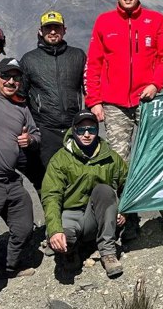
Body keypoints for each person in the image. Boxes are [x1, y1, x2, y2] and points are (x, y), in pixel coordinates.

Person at [84, 0, 163, 240]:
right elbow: (94, 64)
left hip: (147, 102)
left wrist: (155, 84)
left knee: (157, 157)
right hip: (114, 105)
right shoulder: (104, 22)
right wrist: (95, 101)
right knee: (119, 165)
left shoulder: (156, 20)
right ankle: (129, 219)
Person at [0, 58, 41, 307]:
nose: (11, 81)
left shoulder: (21, 107)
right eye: (6, 77)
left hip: (12, 179)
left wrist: (30, 140)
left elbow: (36, 133)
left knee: (24, 228)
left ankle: (10, 266)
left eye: (16, 78)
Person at [41, 111, 128, 279]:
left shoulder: (110, 157)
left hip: (95, 217)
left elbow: (127, 185)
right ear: (73, 130)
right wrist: (54, 230)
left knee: (105, 190)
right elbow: (51, 196)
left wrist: (124, 210)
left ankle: (108, 252)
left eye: (92, 129)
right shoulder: (60, 159)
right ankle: (70, 253)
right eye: (81, 130)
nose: (87, 134)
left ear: (97, 130)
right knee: (63, 236)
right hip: (70, 215)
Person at [19, 10, 86, 190]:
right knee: (51, 182)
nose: (53, 32)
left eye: (57, 27)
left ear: (64, 30)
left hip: (74, 129)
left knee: (79, 178)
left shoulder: (78, 56)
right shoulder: (29, 60)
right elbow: (20, 97)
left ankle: (77, 218)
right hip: (45, 130)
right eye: (48, 28)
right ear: (40, 31)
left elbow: (90, 88)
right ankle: (54, 218)